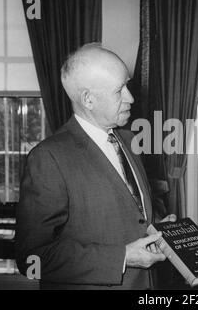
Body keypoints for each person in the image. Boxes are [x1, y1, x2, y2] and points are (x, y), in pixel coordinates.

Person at [16, 43, 175, 289]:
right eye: (119, 90)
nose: (130, 98)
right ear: (88, 99)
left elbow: (129, 217)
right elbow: (31, 258)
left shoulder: (130, 140)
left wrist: (156, 228)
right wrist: (122, 257)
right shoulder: (49, 158)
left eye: (127, 86)